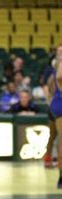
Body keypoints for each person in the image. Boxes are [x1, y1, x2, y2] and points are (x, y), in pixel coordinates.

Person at [47, 44, 62, 188]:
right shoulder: (59, 67)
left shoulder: (53, 69)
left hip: (57, 103)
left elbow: (50, 89)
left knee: (59, 140)